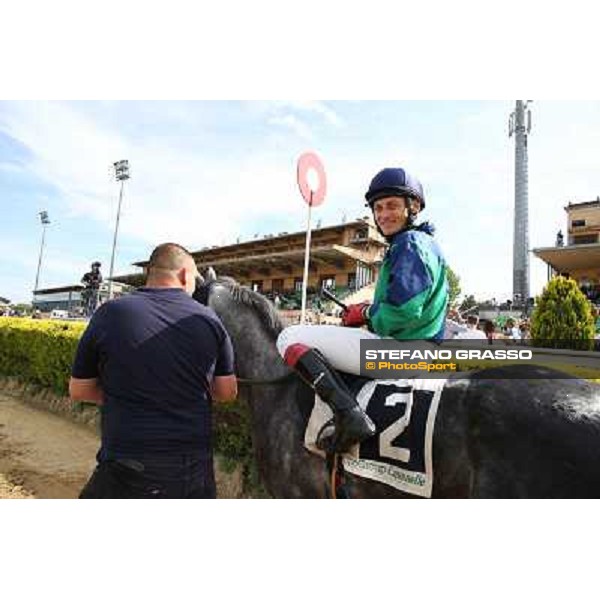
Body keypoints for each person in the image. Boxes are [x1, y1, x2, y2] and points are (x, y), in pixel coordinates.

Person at [276, 166, 448, 453]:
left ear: (413, 206)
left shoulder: (410, 243)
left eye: (392, 206)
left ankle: (349, 416)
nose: (383, 215)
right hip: (419, 349)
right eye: (378, 208)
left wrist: (366, 314)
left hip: (402, 354)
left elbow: (403, 310)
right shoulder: (421, 244)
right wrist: (367, 311)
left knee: (289, 337)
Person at [69, 243, 237, 499]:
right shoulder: (209, 320)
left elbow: (80, 390)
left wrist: (131, 394)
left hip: (124, 467)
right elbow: (226, 391)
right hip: (191, 472)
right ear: (184, 275)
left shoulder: (109, 313)